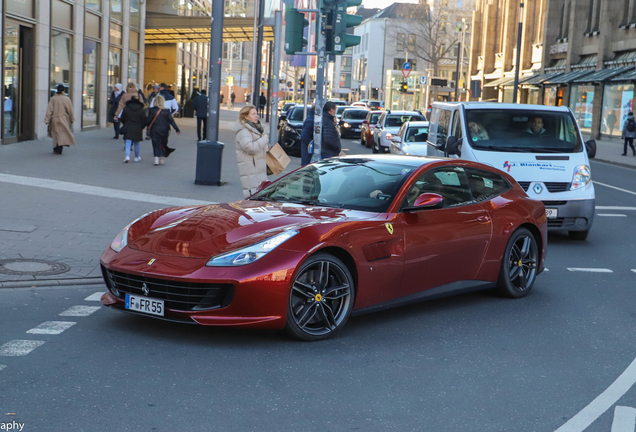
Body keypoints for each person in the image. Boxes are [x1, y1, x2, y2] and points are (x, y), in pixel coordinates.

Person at [234, 104, 270, 198]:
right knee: (253, 200)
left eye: (256, 113)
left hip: (258, 171)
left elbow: (257, 144)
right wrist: (264, 139)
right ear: (246, 116)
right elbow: (250, 148)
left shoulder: (255, 129)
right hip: (251, 173)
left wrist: (265, 146)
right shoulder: (243, 131)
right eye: (253, 114)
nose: (256, 116)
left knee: (259, 201)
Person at [147, 95, 180, 166]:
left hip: (154, 129)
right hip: (164, 130)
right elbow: (171, 121)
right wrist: (176, 129)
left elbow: (148, 120)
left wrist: (142, 125)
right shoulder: (166, 111)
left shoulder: (152, 110)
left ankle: (156, 159)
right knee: (163, 143)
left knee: (155, 144)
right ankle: (161, 157)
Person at [44, 84, 75, 155]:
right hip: (63, 118)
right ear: (64, 90)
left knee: (55, 133)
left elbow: (49, 110)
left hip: (54, 118)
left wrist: (47, 120)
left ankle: (56, 147)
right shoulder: (66, 99)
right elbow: (70, 110)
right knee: (63, 133)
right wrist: (72, 118)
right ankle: (60, 147)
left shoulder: (53, 99)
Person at [120, 94, 147, 163]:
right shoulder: (141, 109)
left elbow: (122, 118)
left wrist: (125, 124)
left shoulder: (127, 108)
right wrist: (142, 126)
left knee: (128, 142)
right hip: (138, 126)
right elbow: (144, 120)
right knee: (136, 143)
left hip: (129, 125)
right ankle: (136, 157)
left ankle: (127, 156)